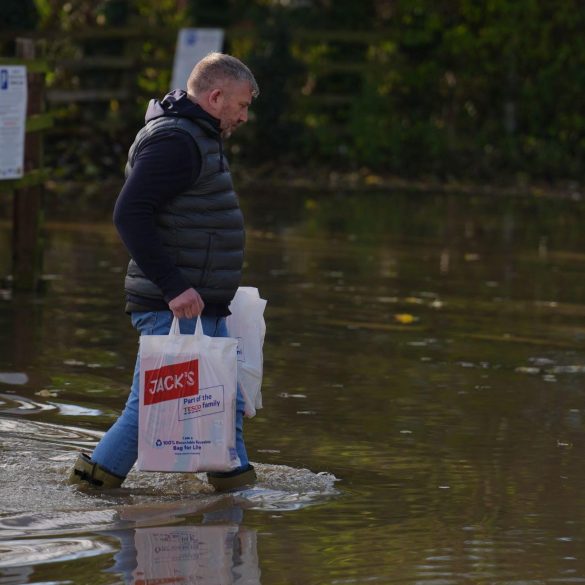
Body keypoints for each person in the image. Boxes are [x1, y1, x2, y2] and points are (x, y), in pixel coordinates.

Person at [68, 52, 259, 492]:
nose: (245, 116)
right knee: (149, 409)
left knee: (224, 404)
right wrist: (174, 287)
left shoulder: (196, 135)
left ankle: (241, 498)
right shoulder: (177, 141)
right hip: (176, 305)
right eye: (242, 105)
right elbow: (129, 213)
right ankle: (87, 489)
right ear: (215, 96)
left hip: (197, 302)